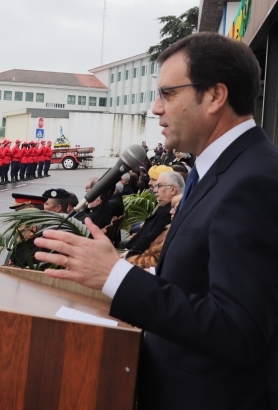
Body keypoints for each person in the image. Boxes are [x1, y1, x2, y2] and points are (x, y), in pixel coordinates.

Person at [34, 33, 278, 408]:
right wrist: (115, 268)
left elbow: (237, 330)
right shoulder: (220, 168)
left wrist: (114, 277)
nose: (155, 108)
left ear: (215, 96)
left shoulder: (254, 180)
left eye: (168, 93)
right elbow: (199, 279)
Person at [124, 171, 183, 254]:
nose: (155, 190)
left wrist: (129, 254)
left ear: (173, 189)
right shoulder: (165, 207)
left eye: (159, 186)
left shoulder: (169, 212)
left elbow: (151, 239)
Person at [127, 194, 182, 269]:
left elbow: (155, 261)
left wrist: (130, 260)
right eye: (172, 208)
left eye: (175, 208)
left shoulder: (175, 233)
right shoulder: (169, 230)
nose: (171, 211)